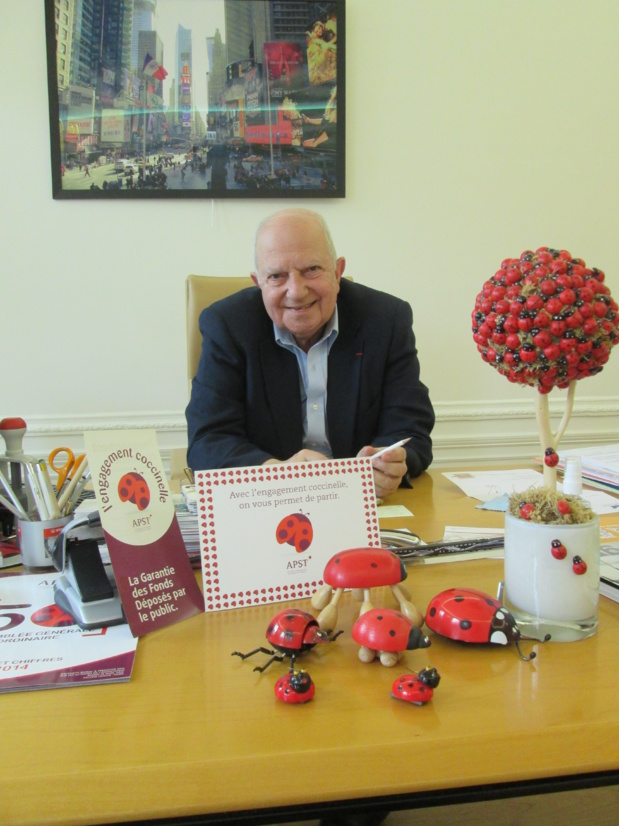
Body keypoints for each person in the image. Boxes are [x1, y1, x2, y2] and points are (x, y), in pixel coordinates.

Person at [186, 208, 434, 501]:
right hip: (267, 505)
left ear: (337, 272)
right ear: (258, 283)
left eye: (311, 270)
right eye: (277, 276)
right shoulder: (227, 325)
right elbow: (208, 440)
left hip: (362, 503)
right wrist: (275, 474)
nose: (296, 291)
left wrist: (389, 464)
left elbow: (411, 429)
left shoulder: (386, 320)